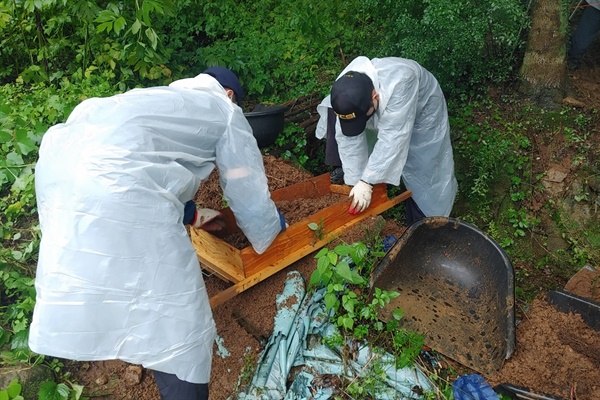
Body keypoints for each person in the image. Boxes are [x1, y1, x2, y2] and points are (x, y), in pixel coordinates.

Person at [29, 66, 287, 400]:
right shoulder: (224, 109)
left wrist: (194, 215)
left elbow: (143, 164)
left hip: (58, 180)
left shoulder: (159, 100)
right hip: (119, 194)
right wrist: (270, 227)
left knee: (115, 284)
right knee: (179, 326)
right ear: (229, 94)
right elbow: (244, 184)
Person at [316, 56, 457, 223]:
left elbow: (393, 138)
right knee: (364, 169)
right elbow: (349, 141)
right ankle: (373, 191)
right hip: (379, 110)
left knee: (424, 168)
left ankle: (425, 222)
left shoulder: (402, 81)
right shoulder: (345, 90)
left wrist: (367, 181)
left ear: (375, 96)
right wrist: (356, 183)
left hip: (423, 112)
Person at [567, 1, 600, 70]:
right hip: (596, 6)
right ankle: (572, 60)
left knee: (583, 36)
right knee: (583, 36)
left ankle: (572, 60)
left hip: (596, 6)